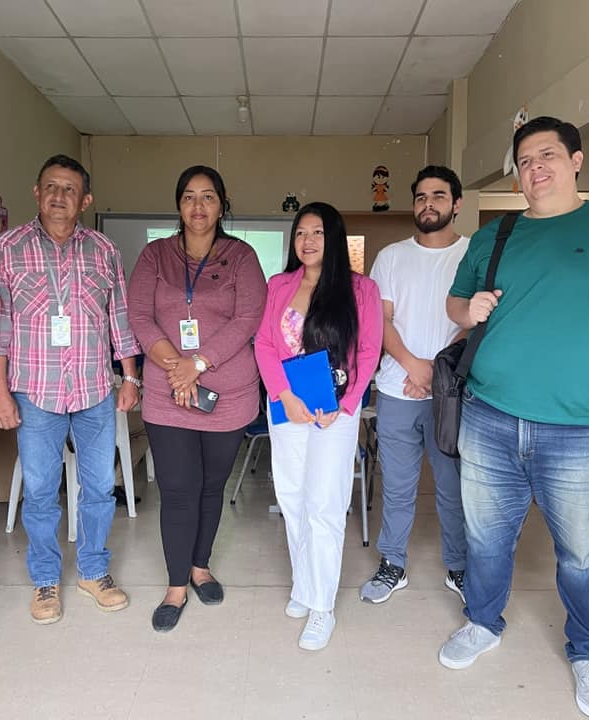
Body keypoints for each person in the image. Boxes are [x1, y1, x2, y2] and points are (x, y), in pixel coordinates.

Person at [439, 116, 589, 720]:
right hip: (489, 418)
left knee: (583, 553)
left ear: (576, 160)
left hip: (584, 430)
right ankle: (482, 622)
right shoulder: (494, 236)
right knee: (486, 538)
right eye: (524, 160)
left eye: (547, 154)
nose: (535, 167)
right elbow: (456, 304)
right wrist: (469, 310)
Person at [0, 155, 141, 625]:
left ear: (84, 200)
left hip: (94, 388)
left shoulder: (104, 250)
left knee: (99, 487)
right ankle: (45, 579)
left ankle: (93, 571)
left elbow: (118, 317)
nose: (59, 196)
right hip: (35, 391)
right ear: (37, 192)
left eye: (69, 189)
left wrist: (130, 377)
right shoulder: (5, 248)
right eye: (50, 187)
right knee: (39, 491)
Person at [128, 165, 266, 633]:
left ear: (222, 205)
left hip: (228, 395)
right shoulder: (155, 255)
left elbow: (248, 318)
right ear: (178, 205)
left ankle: (200, 566)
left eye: (208, 196)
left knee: (211, 486)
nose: (198, 206)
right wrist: (178, 368)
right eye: (189, 196)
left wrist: (199, 364)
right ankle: (175, 585)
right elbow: (140, 317)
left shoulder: (241, 256)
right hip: (168, 395)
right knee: (177, 490)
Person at [255, 202, 382, 651]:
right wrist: (284, 396)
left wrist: (345, 405)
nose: (307, 241)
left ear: (334, 238)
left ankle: (322, 606)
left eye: (318, 233)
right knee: (292, 498)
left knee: (324, 504)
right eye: (300, 233)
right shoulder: (280, 284)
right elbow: (264, 343)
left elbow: (368, 351)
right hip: (287, 406)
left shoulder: (360, 289)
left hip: (335, 412)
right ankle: (304, 585)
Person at [359, 165, 470, 605]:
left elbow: (476, 322)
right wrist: (412, 366)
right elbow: (380, 319)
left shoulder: (472, 254)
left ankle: (459, 567)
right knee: (398, 485)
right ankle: (393, 563)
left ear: (456, 203)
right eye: (421, 196)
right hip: (395, 389)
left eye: (438, 196)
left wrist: (434, 372)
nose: (428, 204)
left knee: (453, 486)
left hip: (451, 393)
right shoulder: (391, 256)